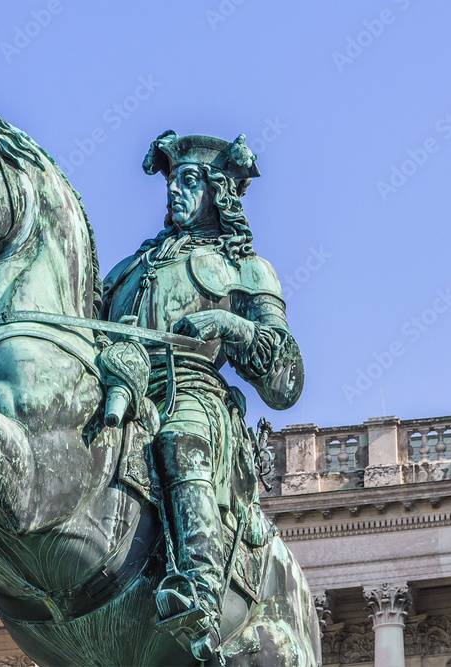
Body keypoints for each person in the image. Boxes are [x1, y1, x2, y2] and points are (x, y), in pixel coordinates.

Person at [101, 130, 305, 660]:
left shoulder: (246, 270)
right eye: (171, 181)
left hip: (192, 389)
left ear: (219, 192)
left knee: (179, 439)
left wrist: (229, 325)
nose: (174, 192)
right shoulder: (127, 271)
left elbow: (285, 381)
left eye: (188, 181)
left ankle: (198, 586)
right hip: (119, 384)